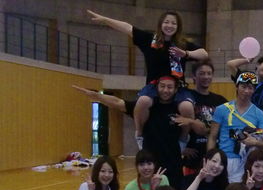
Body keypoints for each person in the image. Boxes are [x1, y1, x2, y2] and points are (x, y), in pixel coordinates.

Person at [86, 9, 208, 148]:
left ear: (178, 26)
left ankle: (184, 138)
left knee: (187, 107)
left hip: (177, 86)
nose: (169, 25)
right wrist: (105, 20)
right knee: (143, 101)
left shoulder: (182, 45)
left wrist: (185, 54)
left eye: (173, 23)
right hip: (154, 85)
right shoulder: (150, 40)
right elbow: (128, 28)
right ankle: (139, 133)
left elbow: (204, 54)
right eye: (166, 22)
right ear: (160, 24)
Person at [208, 71, 263, 182]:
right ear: (237, 87)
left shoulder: (259, 113)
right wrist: (209, 159)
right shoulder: (222, 109)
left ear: (254, 90)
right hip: (224, 159)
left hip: (247, 161)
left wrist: (255, 142)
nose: (246, 91)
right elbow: (212, 137)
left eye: (250, 88)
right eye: (243, 87)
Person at [172, 60, 228, 176]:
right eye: (202, 73)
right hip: (192, 160)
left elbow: (226, 128)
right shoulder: (186, 97)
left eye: (209, 73)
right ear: (194, 76)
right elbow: (175, 121)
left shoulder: (220, 101)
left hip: (215, 160)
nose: (206, 77)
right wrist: (181, 148)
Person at [140, 74, 183, 188]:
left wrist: (185, 144)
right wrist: (98, 96)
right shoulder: (147, 106)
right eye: (162, 86)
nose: (165, 90)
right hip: (151, 163)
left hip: (173, 163)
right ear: (157, 87)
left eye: (170, 87)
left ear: (175, 89)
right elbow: (119, 103)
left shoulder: (180, 108)